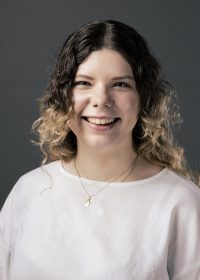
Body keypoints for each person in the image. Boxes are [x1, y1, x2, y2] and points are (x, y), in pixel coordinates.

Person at [0, 19, 200, 280]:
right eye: (84, 83)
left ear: (144, 99)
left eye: (120, 84)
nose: (101, 100)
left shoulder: (181, 202)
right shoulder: (27, 192)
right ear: (63, 95)